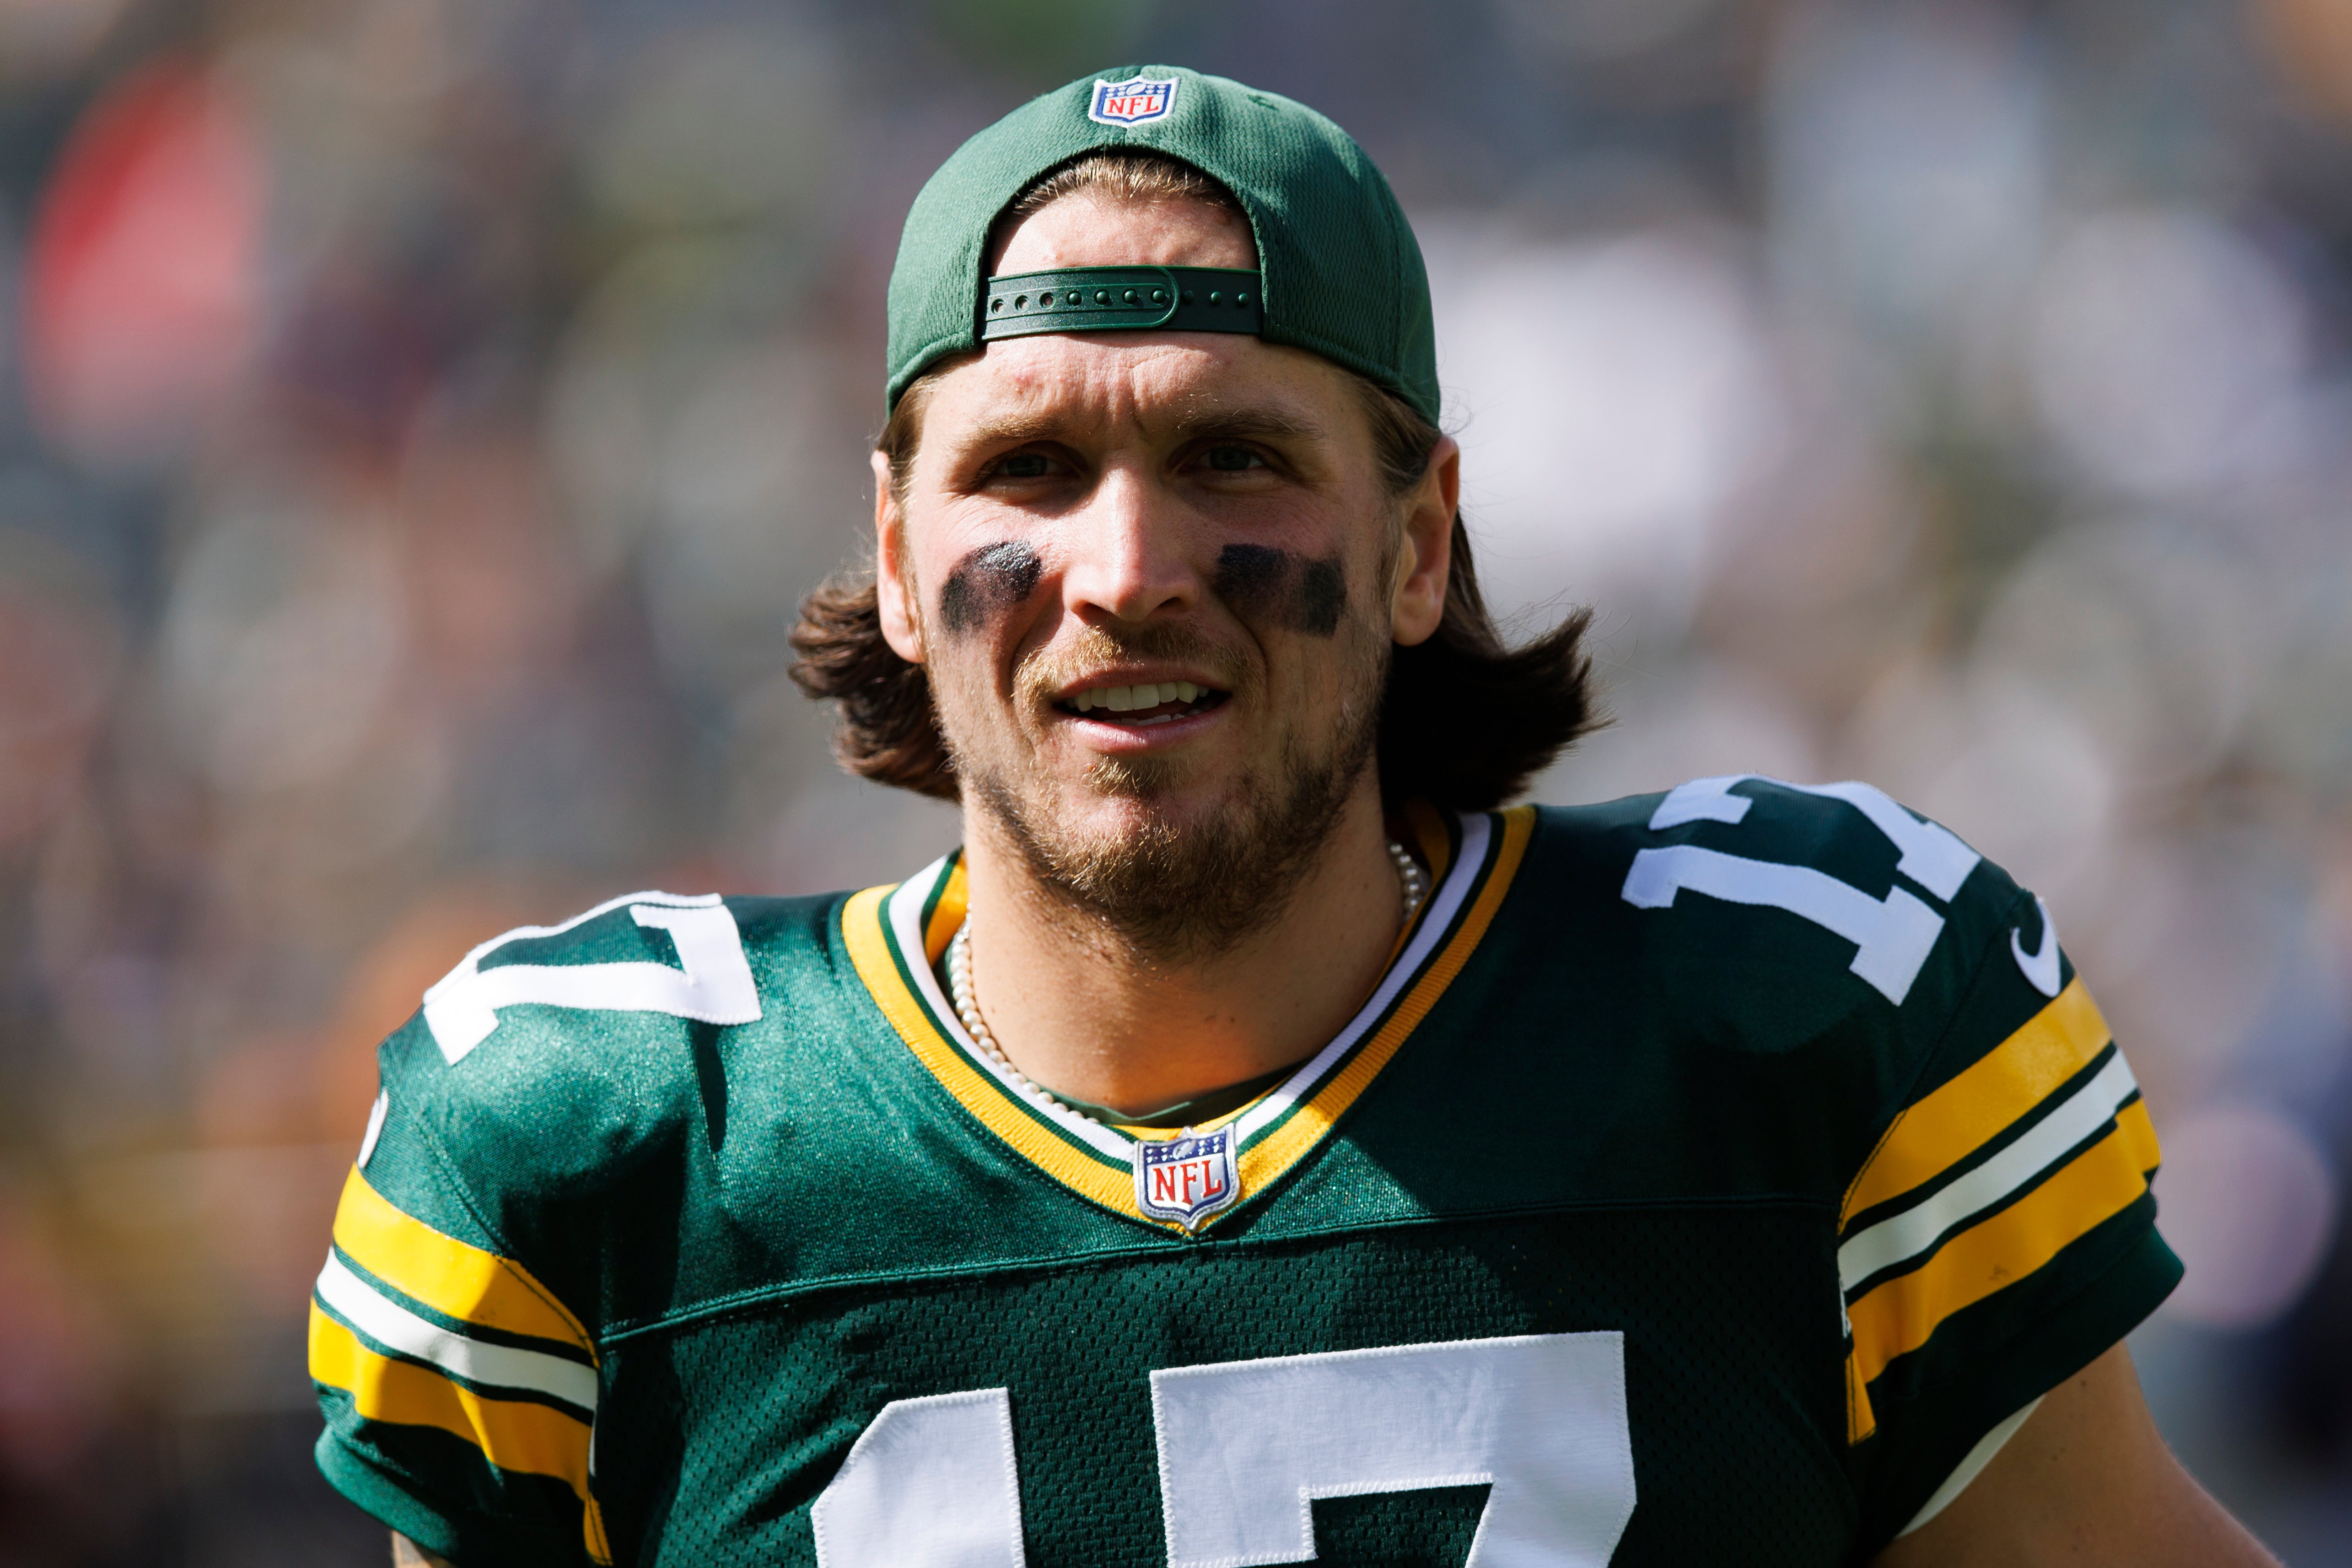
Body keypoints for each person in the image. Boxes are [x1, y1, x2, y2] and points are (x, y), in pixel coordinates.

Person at [309, 65, 2280, 1567]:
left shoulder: (1788, 1023)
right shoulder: (607, 1147)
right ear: (898, 558)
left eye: (1231, 454)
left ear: (1418, 537)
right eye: (1031, 465)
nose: (1128, 564)